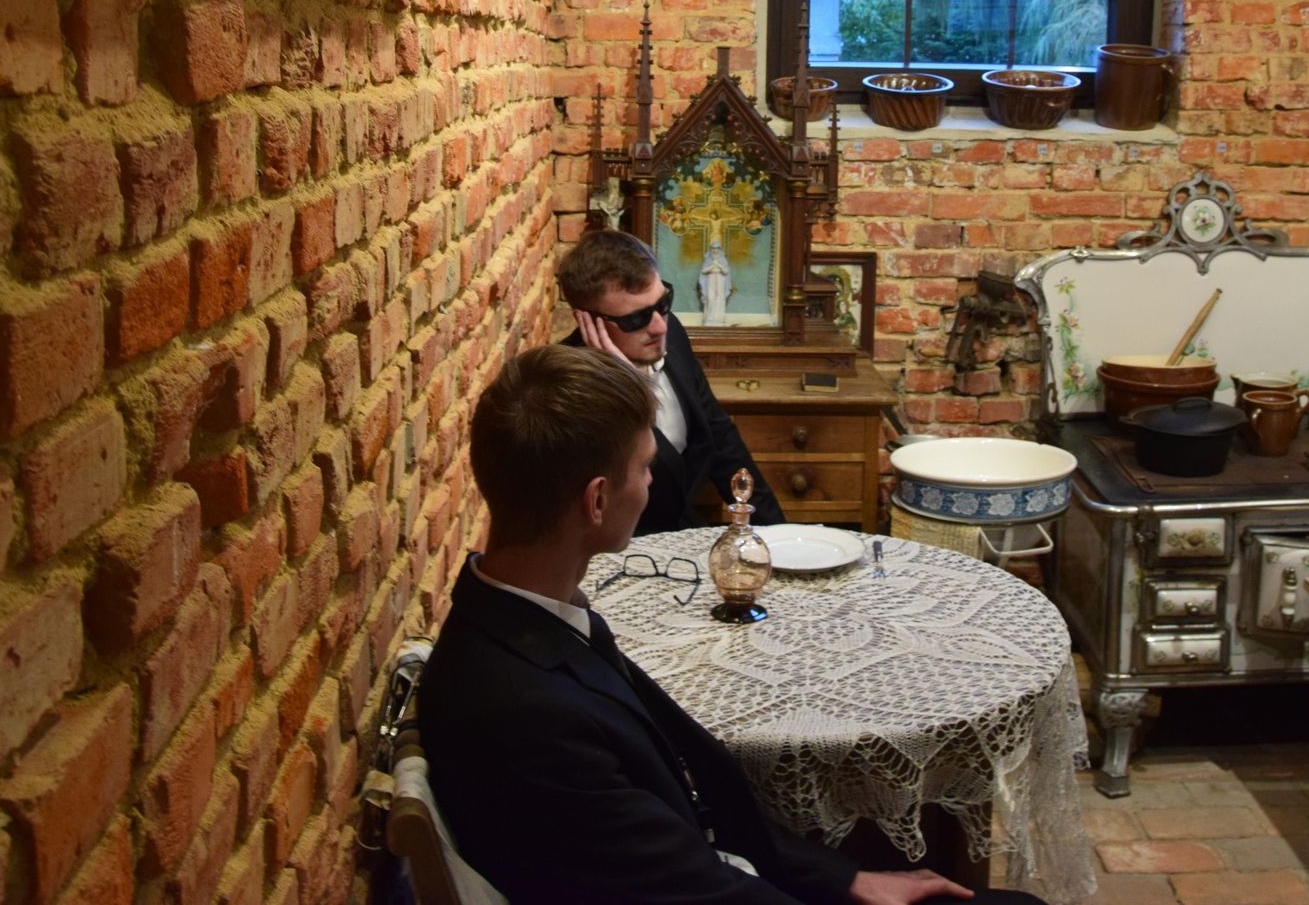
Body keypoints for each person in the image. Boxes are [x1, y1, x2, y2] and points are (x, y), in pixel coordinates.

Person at [418, 345, 1047, 905]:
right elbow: (682, 884)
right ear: (598, 500)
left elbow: (696, 797)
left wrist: (843, 878)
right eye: (646, 467)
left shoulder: (523, 615)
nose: (651, 482)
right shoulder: (524, 713)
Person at [558, 228, 786, 532]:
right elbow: (648, 492)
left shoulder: (670, 332)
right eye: (635, 319)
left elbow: (720, 439)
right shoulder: (568, 391)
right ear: (586, 320)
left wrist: (777, 534)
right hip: (622, 541)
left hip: (685, 528)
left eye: (663, 303)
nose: (659, 327)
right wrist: (625, 387)